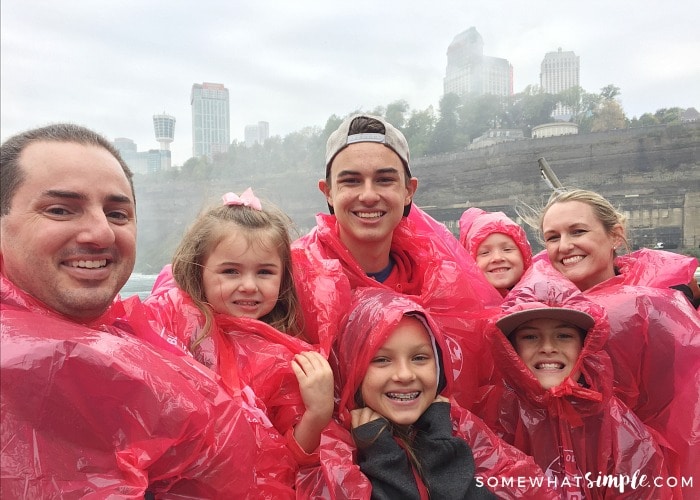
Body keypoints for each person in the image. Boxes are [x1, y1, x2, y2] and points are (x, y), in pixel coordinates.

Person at [0, 124, 291, 497]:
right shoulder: (26, 364)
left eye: (117, 214)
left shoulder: (132, 334)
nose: (101, 232)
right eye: (60, 210)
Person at [292, 113, 503, 410]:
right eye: (351, 181)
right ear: (328, 192)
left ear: (408, 191)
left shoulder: (441, 282)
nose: (368, 195)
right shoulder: (289, 277)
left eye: (384, 180)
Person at [143, 188, 336, 469]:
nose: (248, 285)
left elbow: (290, 462)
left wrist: (318, 413)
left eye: (265, 272)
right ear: (198, 271)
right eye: (230, 271)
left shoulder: (288, 356)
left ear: (284, 278)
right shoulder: (172, 328)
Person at [314, 287, 557, 499]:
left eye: (419, 358)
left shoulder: (458, 428)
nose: (405, 374)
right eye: (382, 360)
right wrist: (381, 456)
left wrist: (440, 442)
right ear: (352, 369)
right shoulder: (337, 449)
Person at [534, 187, 699, 493]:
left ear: (615, 235)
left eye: (578, 231)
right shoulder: (530, 314)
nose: (565, 246)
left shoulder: (661, 309)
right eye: (552, 237)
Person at [482, 260, 679, 499]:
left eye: (563, 336)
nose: (547, 347)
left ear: (585, 346)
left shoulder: (621, 431)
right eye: (531, 336)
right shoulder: (494, 418)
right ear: (511, 348)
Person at [459, 207, 532, 297]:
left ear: (524, 256)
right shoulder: (460, 304)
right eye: (485, 253)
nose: (497, 258)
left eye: (507, 249)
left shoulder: (545, 295)